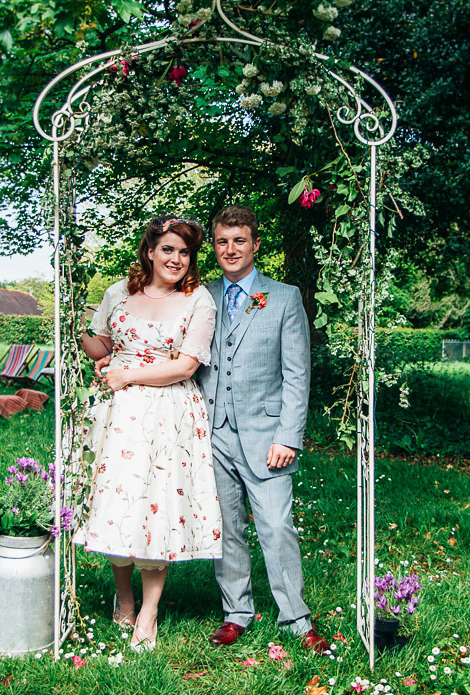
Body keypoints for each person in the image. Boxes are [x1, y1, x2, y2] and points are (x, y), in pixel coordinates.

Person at [72, 216, 222, 652]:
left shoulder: (198, 301)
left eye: (185, 252)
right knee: (118, 502)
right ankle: (124, 599)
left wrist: (127, 376)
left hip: (167, 411)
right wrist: (79, 325)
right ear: (151, 251)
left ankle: (150, 612)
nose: (176, 259)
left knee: (156, 505)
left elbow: (187, 364)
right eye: (168, 249)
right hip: (116, 413)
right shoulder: (119, 292)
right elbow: (102, 347)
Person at [196, 205, 331, 654]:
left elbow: (297, 374)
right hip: (212, 432)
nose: (230, 249)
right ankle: (236, 612)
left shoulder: (285, 297)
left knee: (276, 526)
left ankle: (296, 617)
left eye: (239, 240)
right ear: (214, 247)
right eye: (221, 241)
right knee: (227, 527)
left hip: (267, 434)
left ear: (255, 244)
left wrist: (288, 435)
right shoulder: (201, 296)